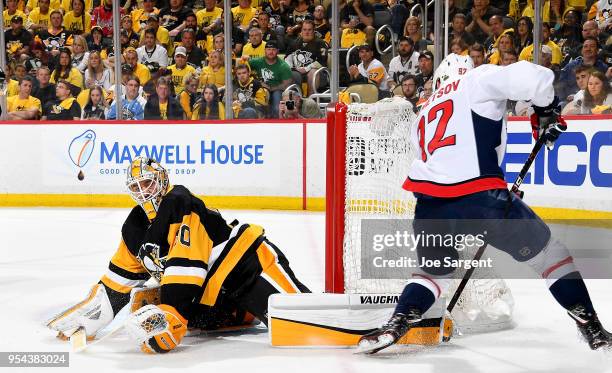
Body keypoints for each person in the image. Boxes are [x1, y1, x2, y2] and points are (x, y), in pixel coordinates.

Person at [356, 54, 612, 354]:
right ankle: (592, 329)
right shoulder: (477, 79)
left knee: (433, 272)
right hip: (481, 198)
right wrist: (545, 111)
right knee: (550, 255)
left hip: (430, 205)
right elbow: (537, 76)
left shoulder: (425, 110)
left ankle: (398, 320)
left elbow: (441, 159)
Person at [46, 156, 310, 353]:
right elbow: (116, 285)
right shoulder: (134, 229)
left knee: (301, 323)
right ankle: (234, 313)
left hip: (246, 268)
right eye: (136, 187)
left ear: (162, 180)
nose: (143, 192)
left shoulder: (180, 202)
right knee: (198, 318)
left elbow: (187, 267)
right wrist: (89, 317)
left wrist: (172, 316)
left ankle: (327, 314)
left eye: (147, 183)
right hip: (214, 294)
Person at [248, 40, 293, 118]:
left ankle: (276, 125)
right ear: (265, 50)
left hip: (277, 89)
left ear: (277, 51)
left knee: (276, 108)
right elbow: (243, 66)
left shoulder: (283, 66)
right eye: (268, 49)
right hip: (262, 89)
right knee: (257, 107)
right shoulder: (258, 62)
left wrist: (271, 88)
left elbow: (287, 85)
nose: (271, 52)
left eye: (273, 50)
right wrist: (245, 58)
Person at [284, 19, 328, 95]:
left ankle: (311, 99)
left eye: (309, 30)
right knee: (288, 73)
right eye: (304, 29)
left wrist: (306, 68)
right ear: (301, 30)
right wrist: (292, 68)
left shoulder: (320, 43)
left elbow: (322, 61)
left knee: (312, 72)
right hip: (298, 72)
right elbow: (287, 57)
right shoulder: (296, 42)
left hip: (318, 74)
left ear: (314, 30)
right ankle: (295, 98)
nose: (306, 32)